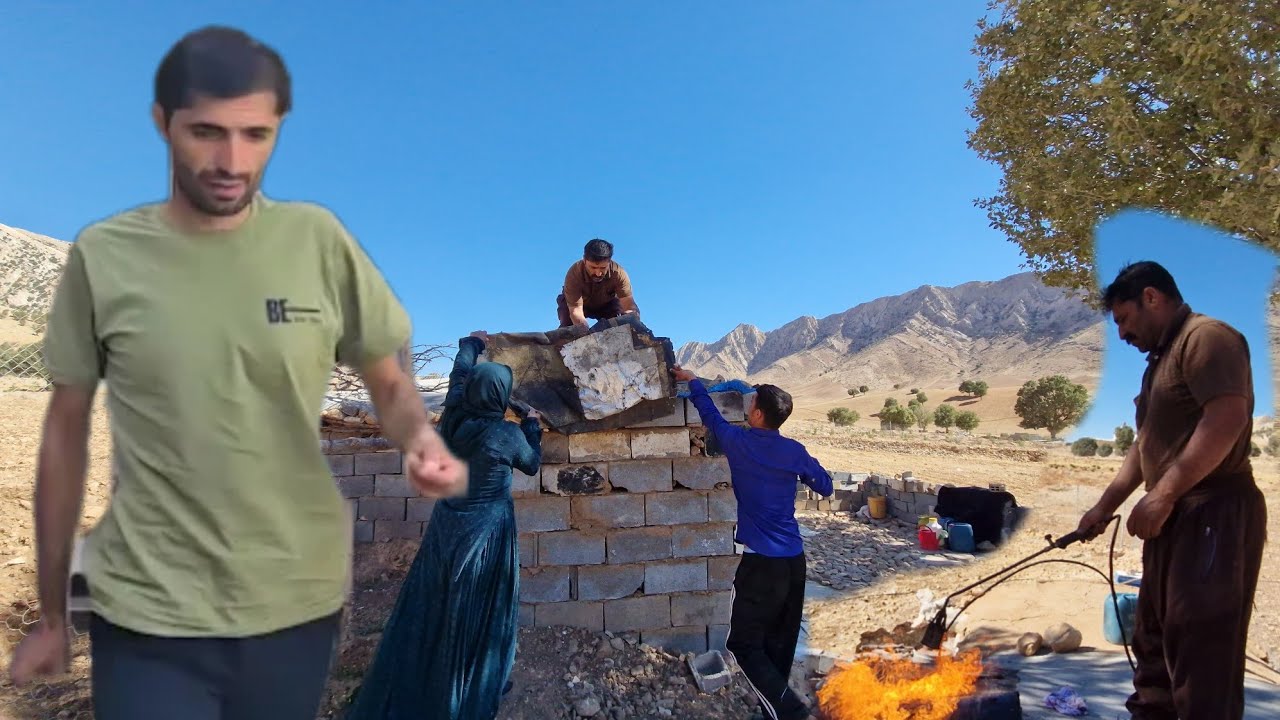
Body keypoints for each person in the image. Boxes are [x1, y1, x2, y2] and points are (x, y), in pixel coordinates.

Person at [5, 26, 468, 720]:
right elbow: (64, 431)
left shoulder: (318, 242)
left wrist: (420, 441)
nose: (230, 158)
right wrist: (51, 613)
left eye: (254, 134)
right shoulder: (107, 257)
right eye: (206, 131)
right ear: (164, 124)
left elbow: (393, 378)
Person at [1075, 260, 1267, 719]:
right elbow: (1144, 449)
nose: (1121, 334)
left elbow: (1226, 419)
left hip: (1214, 513)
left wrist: (1163, 495)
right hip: (1173, 518)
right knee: (1154, 634)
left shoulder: (1207, 338)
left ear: (1152, 297)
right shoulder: (1158, 365)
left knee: (1201, 648)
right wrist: (1103, 508)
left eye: (1123, 319)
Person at [345, 330, 541, 720]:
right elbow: (532, 464)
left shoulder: (454, 418)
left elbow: (458, 379)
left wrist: (471, 345)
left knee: (437, 602)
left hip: (447, 525)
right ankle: (471, 686)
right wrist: (531, 425)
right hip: (487, 533)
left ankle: (424, 676)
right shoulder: (505, 434)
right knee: (481, 607)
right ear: (501, 397)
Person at [671, 365, 832, 720]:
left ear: (758, 414)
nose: (748, 402)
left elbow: (710, 415)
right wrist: (805, 468)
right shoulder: (793, 450)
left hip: (761, 566)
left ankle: (791, 713)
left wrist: (693, 381)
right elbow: (825, 485)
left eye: (752, 400)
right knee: (779, 644)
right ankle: (773, 711)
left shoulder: (739, 443)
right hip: (794, 563)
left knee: (742, 644)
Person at [556, 238, 640, 328]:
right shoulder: (574, 274)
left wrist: (632, 319)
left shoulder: (619, 274)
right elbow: (576, 311)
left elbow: (629, 306)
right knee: (569, 329)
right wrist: (585, 333)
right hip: (578, 305)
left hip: (606, 304)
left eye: (603, 268)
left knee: (620, 325)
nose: (598, 273)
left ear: (609, 261)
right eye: (593, 267)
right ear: (584, 260)